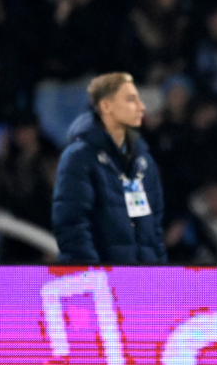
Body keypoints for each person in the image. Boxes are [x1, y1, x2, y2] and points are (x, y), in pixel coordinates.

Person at [52, 72, 167, 264]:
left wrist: (157, 274)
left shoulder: (143, 161)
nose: (139, 107)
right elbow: (72, 225)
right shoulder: (79, 157)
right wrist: (93, 277)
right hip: (101, 283)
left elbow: (153, 230)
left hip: (140, 282)